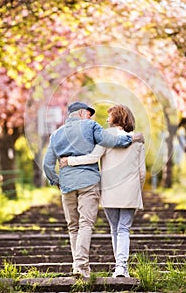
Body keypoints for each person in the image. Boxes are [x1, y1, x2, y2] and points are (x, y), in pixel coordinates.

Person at [43, 101, 144, 279]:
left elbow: (47, 164)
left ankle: (78, 266)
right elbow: (113, 143)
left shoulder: (56, 134)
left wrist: (57, 180)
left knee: (74, 227)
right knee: (89, 225)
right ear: (82, 113)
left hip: (69, 184)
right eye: (89, 113)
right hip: (92, 183)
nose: (92, 116)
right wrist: (132, 137)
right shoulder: (92, 126)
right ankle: (89, 267)